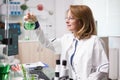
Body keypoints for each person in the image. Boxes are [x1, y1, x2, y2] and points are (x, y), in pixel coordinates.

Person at [24, 5, 109, 80]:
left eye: (71, 18)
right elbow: (46, 42)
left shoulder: (94, 41)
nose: (67, 21)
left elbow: (103, 68)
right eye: (67, 18)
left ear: (82, 21)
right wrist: (36, 23)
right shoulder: (67, 39)